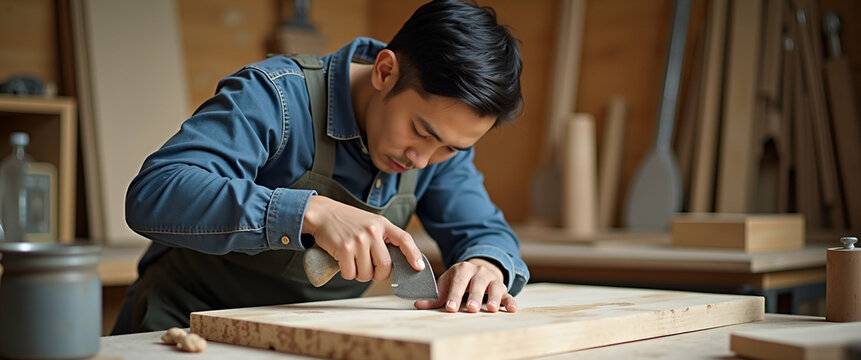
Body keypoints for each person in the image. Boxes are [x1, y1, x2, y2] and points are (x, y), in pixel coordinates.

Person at [112, 0, 529, 334]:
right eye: (419, 131)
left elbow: (485, 233)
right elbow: (156, 191)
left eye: (451, 148)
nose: (422, 159)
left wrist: (486, 265)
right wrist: (312, 212)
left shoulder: (439, 148)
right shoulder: (274, 96)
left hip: (301, 341)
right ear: (385, 71)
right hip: (184, 330)